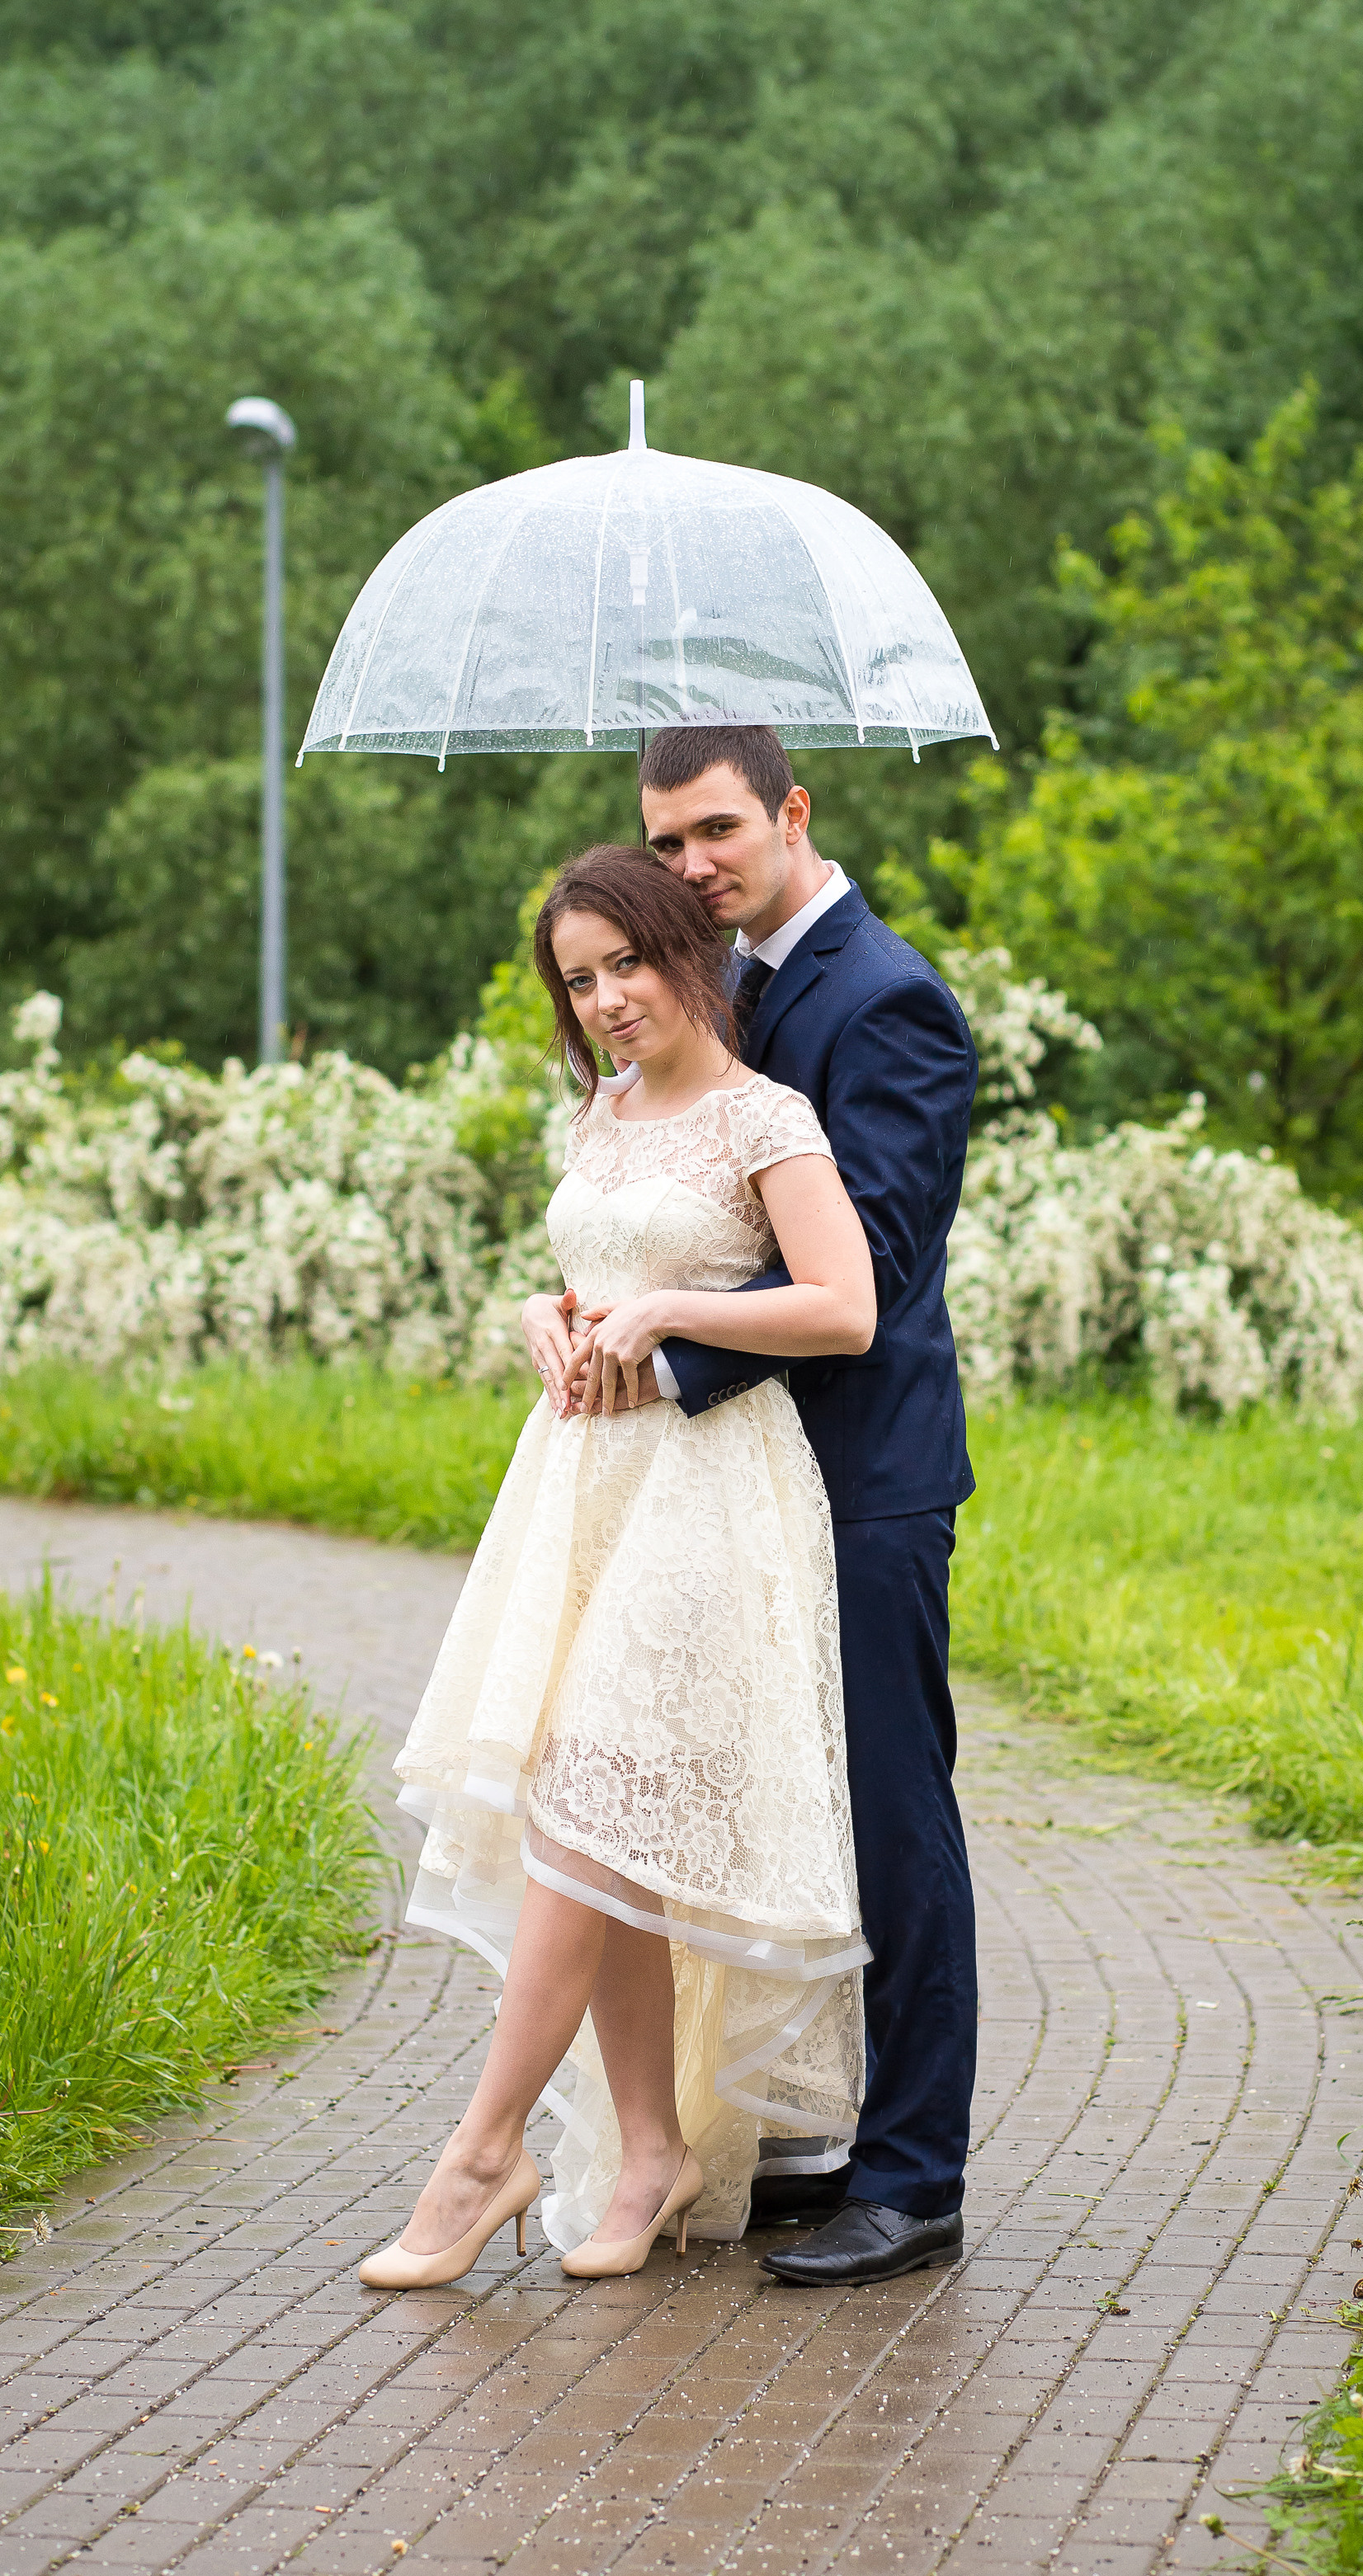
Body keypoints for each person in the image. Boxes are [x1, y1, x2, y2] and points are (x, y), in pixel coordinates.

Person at [357, 843, 879, 2288]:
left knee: (590, 1810)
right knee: (605, 1820)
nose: (603, 1001)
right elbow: (589, 1259)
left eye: (625, 967)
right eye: (578, 981)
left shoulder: (763, 1117)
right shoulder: (597, 1115)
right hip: (582, 1479)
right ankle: (650, 2151)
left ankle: (482, 2150)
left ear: (681, 954)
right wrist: (550, 1309)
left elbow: (844, 1306)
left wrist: (659, 1312)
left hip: (711, 1490)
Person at [560, 726, 979, 2290]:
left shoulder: (891, 1000)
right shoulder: (706, 991)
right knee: (747, 1806)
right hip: (719, 1485)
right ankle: (803, 2138)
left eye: (717, 832)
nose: (690, 867)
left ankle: (916, 2176)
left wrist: (657, 1342)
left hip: (862, 1479)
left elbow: (857, 1266)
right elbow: (680, 1194)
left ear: (793, 812)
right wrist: (583, 1306)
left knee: (890, 1813)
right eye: (664, 844)